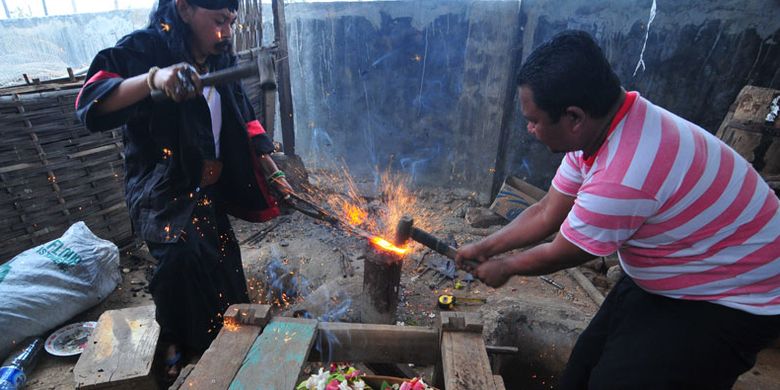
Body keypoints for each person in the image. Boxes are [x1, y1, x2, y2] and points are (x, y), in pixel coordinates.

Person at [456, 30, 780, 389]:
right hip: (684, 264)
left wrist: (506, 267)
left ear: (573, 117)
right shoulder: (604, 128)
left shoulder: (625, 172)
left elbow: (563, 251)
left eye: (534, 120)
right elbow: (548, 210)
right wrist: (485, 247)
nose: (530, 129)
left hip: (735, 296)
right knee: (581, 371)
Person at [75, 0, 293, 381]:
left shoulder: (219, 53)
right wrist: (153, 80)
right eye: (217, 20)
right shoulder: (144, 48)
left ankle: (228, 356)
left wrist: (271, 170)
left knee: (224, 270)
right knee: (181, 267)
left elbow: (243, 112)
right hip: (162, 191)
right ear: (185, 8)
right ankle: (179, 363)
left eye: (231, 21)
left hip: (207, 191)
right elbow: (90, 102)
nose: (225, 31)